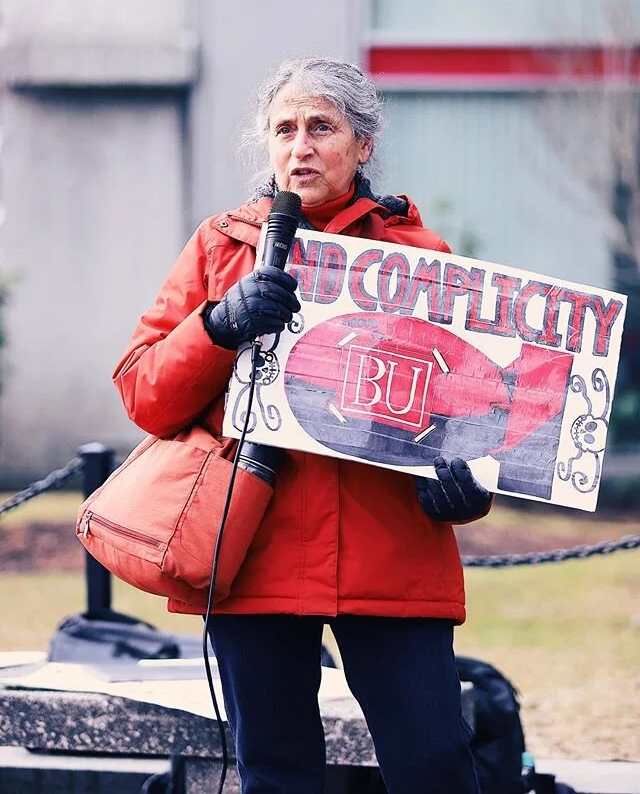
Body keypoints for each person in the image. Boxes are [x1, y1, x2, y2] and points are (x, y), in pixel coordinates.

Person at [113, 57, 492, 794]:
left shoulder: (424, 262)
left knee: (437, 765)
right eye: (284, 128)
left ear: (363, 145)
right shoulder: (221, 248)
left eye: (322, 126)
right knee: (277, 773)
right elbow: (143, 392)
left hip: (393, 562)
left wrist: (469, 490)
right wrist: (217, 324)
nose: (301, 145)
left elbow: (475, 419)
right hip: (252, 555)